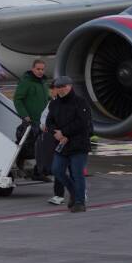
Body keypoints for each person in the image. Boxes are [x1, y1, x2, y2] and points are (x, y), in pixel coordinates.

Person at [46, 76, 92, 213]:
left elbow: (83, 123)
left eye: (62, 87)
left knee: (77, 174)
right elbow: (49, 122)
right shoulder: (54, 104)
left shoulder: (80, 102)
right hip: (62, 144)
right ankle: (74, 192)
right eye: (57, 87)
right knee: (57, 170)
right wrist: (56, 133)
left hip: (78, 144)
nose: (60, 90)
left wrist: (65, 133)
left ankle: (79, 202)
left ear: (69, 86)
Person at [13, 59, 48, 175]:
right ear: (33, 69)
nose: (40, 71)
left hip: (42, 121)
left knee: (41, 146)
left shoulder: (43, 82)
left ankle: (39, 170)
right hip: (30, 120)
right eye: (38, 69)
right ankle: (19, 162)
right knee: (28, 146)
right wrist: (24, 115)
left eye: (42, 69)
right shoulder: (26, 82)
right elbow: (18, 99)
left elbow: (46, 98)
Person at [38, 82, 66, 205]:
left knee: (74, 168)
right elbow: (44, 117)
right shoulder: (52, 103)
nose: (51, 92)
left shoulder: (73, 102)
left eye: (53, 89)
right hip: (57, 141)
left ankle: (81, 192)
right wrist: (42, 125)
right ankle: (58, 195)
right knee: (58, 167)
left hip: (71, 140)